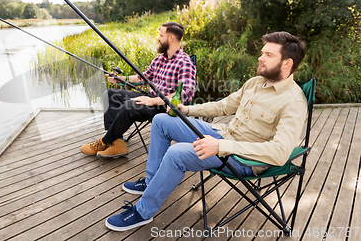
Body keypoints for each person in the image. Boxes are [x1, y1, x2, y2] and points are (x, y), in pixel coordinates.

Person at [105, 31, 308, 231]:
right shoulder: (255, 83)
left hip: (244, 159)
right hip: (222, 135)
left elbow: (280, 153)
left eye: (268, 55)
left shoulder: (293, 101)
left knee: (177, 154)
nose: (260, 57)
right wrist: (187, 110)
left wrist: (220, 146)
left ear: (287, 63)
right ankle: (151, 183)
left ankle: (142, 212)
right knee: (161, 120)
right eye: (262, 53)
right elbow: (223, 106)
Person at [81, 22, 196, 158]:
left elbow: (186, 94)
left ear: (171, 38)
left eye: (161, 35)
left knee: (130, 106)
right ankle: (117, 143)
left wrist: (154, 101)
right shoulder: (160, 59)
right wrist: (120, 78)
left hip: (164, 106)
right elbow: (143, 77)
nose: (158, 38)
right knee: (111, 94)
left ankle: (105, 141)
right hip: (149, 97)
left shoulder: (184, 62)